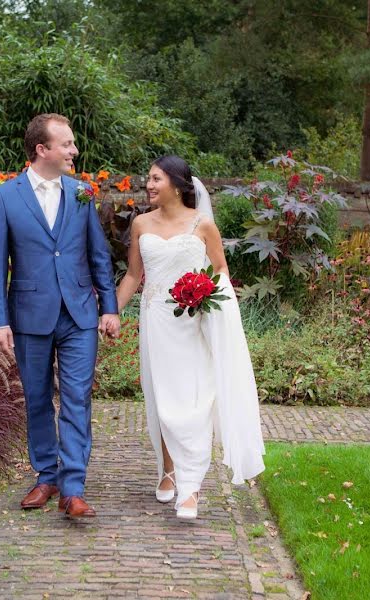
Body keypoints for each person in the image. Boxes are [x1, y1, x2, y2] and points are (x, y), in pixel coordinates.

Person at [0, 113, 121, 519]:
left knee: (78, 399)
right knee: (39, 399)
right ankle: (46, 476)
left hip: (79, 314)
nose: (74, 151)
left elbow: (99, 255)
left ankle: (72, 488)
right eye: (67, 144)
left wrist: (109, 307)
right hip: (29, 314)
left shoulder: (82, 194)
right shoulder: (5, 198)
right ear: (42, 149)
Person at [115, 155, 265, 520]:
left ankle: (192, 485)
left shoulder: (203, 225)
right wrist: (110, 313)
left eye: (156, 179)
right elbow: (135, 276)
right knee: (161, 396)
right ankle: (168, 470)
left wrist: (205, 294)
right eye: (148, 179)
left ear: (179, 185)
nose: (148, 185)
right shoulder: (140, 224)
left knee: (194, 398)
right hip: (156, 321)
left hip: (192, 320)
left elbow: (220, 271)